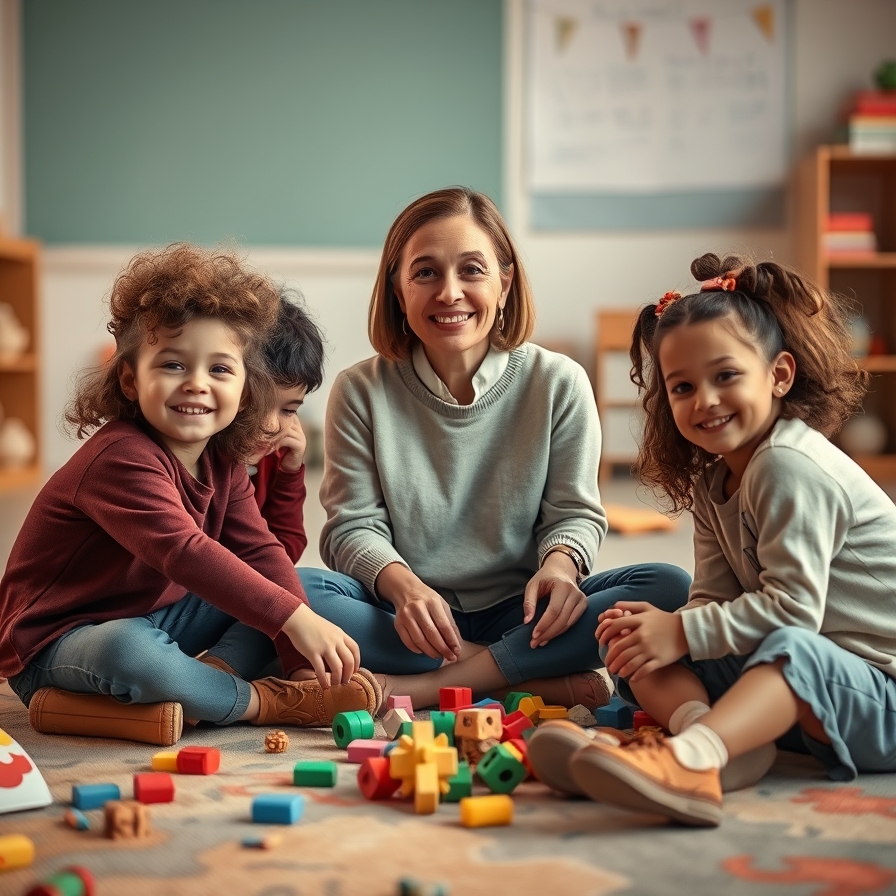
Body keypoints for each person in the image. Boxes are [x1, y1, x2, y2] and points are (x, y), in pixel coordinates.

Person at [297, 186, 691, 712]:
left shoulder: (559, 382)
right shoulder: (359, 390)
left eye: (472, 270)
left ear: (505, 283)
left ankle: (425, 687)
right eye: (426, 272)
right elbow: (351, 527)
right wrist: (406, 590)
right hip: (407, 615)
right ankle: (527, 678)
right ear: (398, 290)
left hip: (523, 613)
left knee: (668, 586)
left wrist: (559, 569)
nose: (450, 292)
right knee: (298, 594)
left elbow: (574, 513)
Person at [537, 252, 896, 827]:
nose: (704, 400)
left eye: (726, 376)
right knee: (632, 639)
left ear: (779, 375)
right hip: (794, 701)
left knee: (783, 648)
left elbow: (795, 614)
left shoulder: (788, 464)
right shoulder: (714, 480)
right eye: (682, 387)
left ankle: (690, 759)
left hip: (876, 698)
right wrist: (666, 629)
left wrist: (681, 630)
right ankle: (716, 741)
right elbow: (712, 597)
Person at [0, 243, 379, 746]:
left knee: (282, 586)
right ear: (132, 379)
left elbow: (262, 552)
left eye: (220, 369)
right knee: (132, 649)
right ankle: (259, 703)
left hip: (156, 618)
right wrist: (294, 622)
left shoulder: (222, 459)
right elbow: (184, 552)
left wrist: (298, 658)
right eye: (173, 366)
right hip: (56, 643)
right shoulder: (120, 456)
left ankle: (206, 687)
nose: (197, 384)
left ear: (248, 388)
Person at [247, 287, 325, 563]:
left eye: (289, 410)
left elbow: (286, 550)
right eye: (256, 403)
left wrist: (290, 472)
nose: (269, 424)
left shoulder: (274, 454)